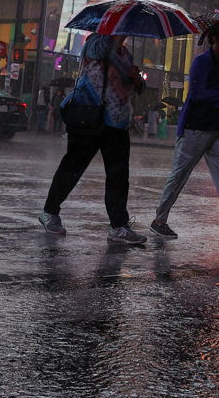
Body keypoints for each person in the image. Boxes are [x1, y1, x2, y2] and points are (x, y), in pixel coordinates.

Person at [39, 33, 147, 244]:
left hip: (117, 122)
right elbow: (97, 53)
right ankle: (50, 212)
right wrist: (111, 38)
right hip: (90, 117)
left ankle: (118, 226)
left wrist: (135, 78)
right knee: (73, 167)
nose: (126, 32)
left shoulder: (126, 54)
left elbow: (133, 89)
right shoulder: (97, 43)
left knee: (118, 176)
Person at [152, 20, 219, 240]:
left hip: (218, 130)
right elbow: (197, 95)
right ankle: (159, 220)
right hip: (194, 128)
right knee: (179, 175)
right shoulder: (201, 62)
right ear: (215, 40)